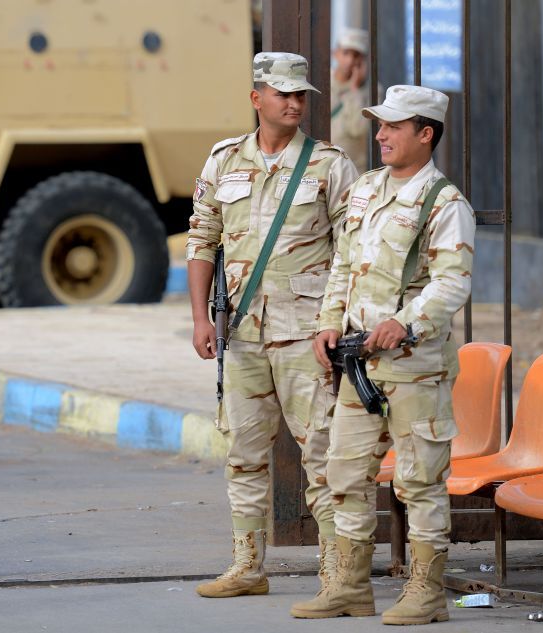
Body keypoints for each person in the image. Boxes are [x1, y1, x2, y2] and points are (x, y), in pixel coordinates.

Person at [290, 85, 475, 625]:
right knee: (343, 474)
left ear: (426, 134)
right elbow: (343, 268)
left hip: (415, 369)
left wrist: (405, 322)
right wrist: (328, 325)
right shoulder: (367, 190)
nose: (381, 135)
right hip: (357, 365)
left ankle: (426, 593)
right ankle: (348, 587)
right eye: (380, 125)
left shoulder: (445, 203)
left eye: (394, 127)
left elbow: (452, 283)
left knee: (419, 481)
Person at [186, 52, 358, 599]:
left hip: (306, 332)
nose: (293, 102)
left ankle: (338, 572)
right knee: (243, 453)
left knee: (324, 456)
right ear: (257, 98)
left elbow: (351, 252)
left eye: (301, 94)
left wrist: (334, 322)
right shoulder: (223, 160)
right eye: (282, 93)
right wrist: (199, 319)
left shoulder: (330, 164)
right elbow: (201, 239)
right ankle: (247, 566)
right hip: (241, 332)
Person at [330, 28, 371, 172]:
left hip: (353, 169)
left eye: (356, 55)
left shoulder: (371, 91)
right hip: (322, 165)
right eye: (346, 53)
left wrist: (355, 90)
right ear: (335, 54)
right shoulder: (323, 81)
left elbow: (357, 129)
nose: (350, 60)